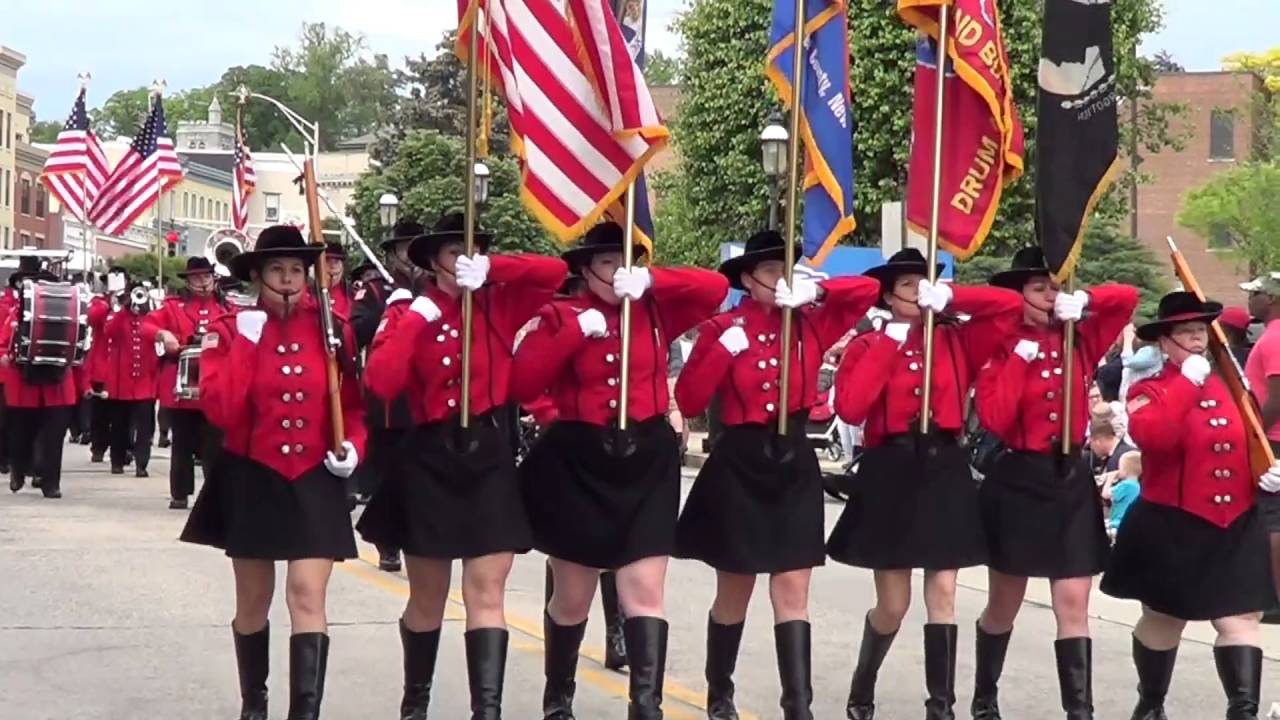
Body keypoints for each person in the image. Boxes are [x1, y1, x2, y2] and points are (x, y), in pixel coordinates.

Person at [511, 221, 729, 719]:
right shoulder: (560, 315)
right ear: (587, 270)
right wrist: (571, 333)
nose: (618, 271)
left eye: (626, 261)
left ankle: (645, 708)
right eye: (608, 262)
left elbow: (714, 288)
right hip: (580, 460)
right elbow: (523, 384)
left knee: (645, 591)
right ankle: (558, 700)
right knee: (573, 597)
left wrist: (653, 280)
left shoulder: (654, 309)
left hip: (645, 456)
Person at [357, 212, 566, 718]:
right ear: (433, 262)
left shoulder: (498, 302)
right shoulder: (408, 312)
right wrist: (419, 319)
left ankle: (486, 711)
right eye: (456, 252)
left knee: (487, 592)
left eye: (474, 250)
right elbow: (381, 384)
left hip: (486, 454)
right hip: (430, 456)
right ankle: (416, 703)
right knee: (428, 597)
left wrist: (495, 267)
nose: (467, 259)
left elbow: (553, 273)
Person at [673, 230, 881, 719]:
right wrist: (722, 349)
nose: (782, 278)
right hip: (741, 462)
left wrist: (818, 291)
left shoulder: (809, 322)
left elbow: (868, 292)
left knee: (793, 588)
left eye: (787, 270)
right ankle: (720, 695)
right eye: (771, 271)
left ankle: (798, 706)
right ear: (748, 279)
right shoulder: (724, 328)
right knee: (736, 588)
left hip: (792, 461)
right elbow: (689, 399)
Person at [825, 248, 1022, 720]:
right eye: (908, 285)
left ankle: (941, 706)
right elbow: (851, 408)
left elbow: (1009, 308)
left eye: (924, 283)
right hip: (890, 469)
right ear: (888, 296)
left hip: (943, 467)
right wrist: (891, 343)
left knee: (945, 593)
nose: (918, 292)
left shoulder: (956, 339)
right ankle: (863, 685)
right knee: (893, 604)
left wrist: (953, 296)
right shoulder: (868, 345)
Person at [179, 225, 366, 720]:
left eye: (297, 270)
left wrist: (354, 447)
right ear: (258, 276)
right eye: (277, 269)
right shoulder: (227, 329)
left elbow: (353, 406)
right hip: (253, 474)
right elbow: (220, 410)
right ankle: (255, 703)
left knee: (307, 593)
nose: (288, 279)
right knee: (253, 601)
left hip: (314, 475)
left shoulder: (332, 328)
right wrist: (245, 341)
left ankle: (305, 713)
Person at [969, 247, 1138, 719]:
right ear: (1018, 295)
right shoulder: (1001, 345)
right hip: (1020, 479)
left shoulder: (1078, 338)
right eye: (1040, 287)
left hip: (1069, 479)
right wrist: (1020, 360)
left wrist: (1084, 299)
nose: (1050, 295)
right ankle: (984, 698)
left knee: (1073, 602)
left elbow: (1126, 298)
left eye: (1056, 287)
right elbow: (996, 418)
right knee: (1004, 603)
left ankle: (1080, 712)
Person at [1101, 291, 1276, 719]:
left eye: (1201, 330)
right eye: (1186, 332)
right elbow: (1155, 438)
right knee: (1165, 618)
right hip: (1174, 522)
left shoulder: (1233, 386)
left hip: (1235, 521)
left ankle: (1243, 711)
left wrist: (1265, 472)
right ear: (1165, 342)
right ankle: (1151, 703)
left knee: (1241, 619)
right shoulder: (1149, 389)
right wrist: (1187, 382)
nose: (1197, 339)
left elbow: (1247, 439)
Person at [350, 220, 424, 573]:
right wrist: (387, 310)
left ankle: (417, 539)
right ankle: (388, 543)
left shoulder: (437, 289)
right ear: (393, 255)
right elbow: (355, 332)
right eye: (405, 248)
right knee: (386, 479)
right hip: (389, 404)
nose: (411, 256)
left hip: (427, 399)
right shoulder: (376, 291)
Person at [146, 257, 232, 509]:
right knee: (182, 443)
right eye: (196, 277)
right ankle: (180, 493)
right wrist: (163, 334)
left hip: (214, 386)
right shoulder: (173, 306)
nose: (203, 282)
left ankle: (215, 494)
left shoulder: (227, 307)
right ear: (188, 281)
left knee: (215, 445)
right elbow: (147, 325)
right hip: (182, 386)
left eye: (206, 276)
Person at [1, 258, 77, 499]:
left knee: (54, 437)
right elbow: (3, 343)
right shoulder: (15, 313)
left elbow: (78, 342)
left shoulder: (68, 312)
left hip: (57, 382)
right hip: (24, 382)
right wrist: (4, 356)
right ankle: (19, 470)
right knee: (22, 434)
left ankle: (50, 482)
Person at [101, 279, 161, 477]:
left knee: (145, 428)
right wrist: (124, 309)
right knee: (119, 425)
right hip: (121, 382)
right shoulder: (119, 316)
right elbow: (108, 331)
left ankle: (141, 463)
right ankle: (117, 461)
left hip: (144, 381)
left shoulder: (151, 317)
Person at [86, 268, 129, 464]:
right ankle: (98, 447)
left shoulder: (131, 301)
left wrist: (124, 304)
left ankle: (123, 449)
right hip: (102, 365)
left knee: (123, 415)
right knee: (100, 413)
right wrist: (109, 303)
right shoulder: (99, 302)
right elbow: (92, 318)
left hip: (124, 365)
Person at [1101, 450, 1142, 536]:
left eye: (1120, 467)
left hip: (1117, 523)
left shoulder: (1125, 485)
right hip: (1127, 522)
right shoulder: (1137, 486)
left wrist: (1109, 479)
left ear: (1125, 471)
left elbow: (1105, 494)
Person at [321, 242, 352, 318]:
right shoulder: (306, 293)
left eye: (336, 262)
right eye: (327, 261)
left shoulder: (352, 293)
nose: (332, 266)